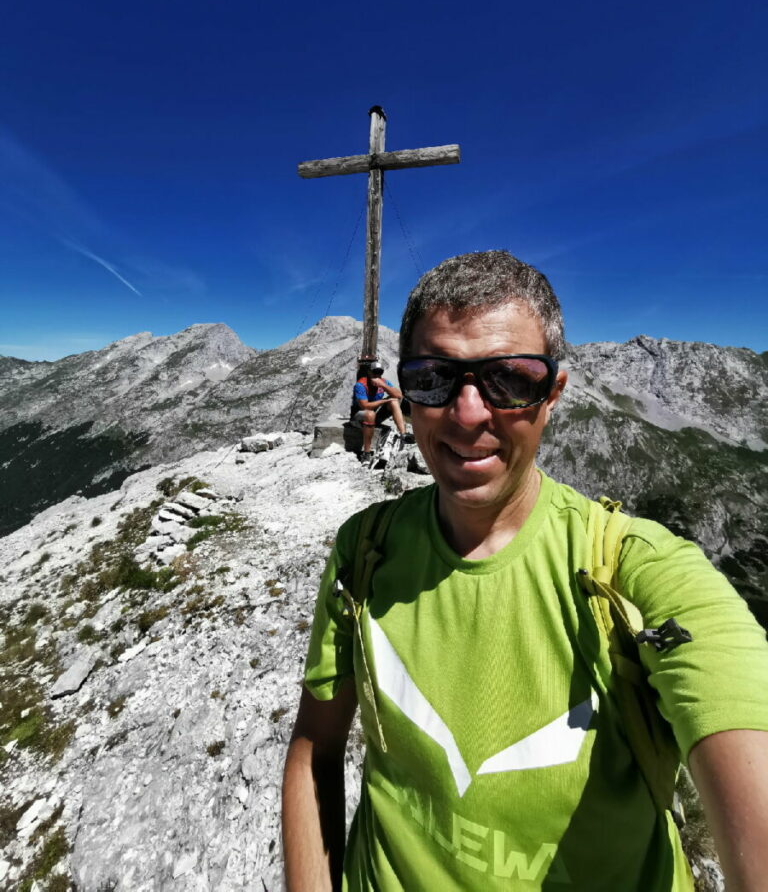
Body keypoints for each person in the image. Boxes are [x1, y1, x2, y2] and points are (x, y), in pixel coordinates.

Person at [283, 250, 768, 891]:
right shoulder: (364, 549)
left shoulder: (638, 575)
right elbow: (316, 746)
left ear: (553, 393)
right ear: (408, 389)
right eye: (433, 377)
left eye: (509, 379)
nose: (468, 413)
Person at [351, 361, 407, 465]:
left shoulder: (382, 382)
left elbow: (399, 395)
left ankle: (403, 435)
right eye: (374, 372)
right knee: (370, 414)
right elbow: (365, 406)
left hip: (374, 415)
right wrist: (384, 401)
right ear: (369, 372)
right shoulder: (360, 385)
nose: (377, 375)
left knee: (394, 401)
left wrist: (384, 386)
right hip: (359, 417)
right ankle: (366, 453)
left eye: (380, 372)